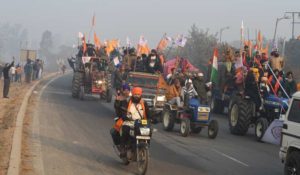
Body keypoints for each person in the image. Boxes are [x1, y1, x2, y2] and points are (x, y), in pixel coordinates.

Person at [119, 87, 150, 157]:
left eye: (138, 94)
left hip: (140, 123)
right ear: (132, 94)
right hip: (129, 122)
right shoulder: (126, 101)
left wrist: (153, 118)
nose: (136, 96)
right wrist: (125, 116)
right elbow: (122, 111)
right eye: (135, 94)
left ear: (141, 95)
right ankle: (123, 148)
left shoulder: (144, 103)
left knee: (148, 131)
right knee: (125, 129)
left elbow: (148, 113)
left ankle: (145, 147)